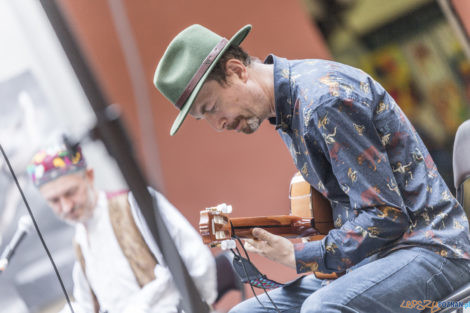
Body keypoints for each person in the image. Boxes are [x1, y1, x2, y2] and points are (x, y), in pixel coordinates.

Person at [153, 24, 470, 312]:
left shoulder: (321, 101)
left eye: (212, 108)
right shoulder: (289, 110)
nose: (217, 124)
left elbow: (386, 215)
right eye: (203, 118)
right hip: (376, 259)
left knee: (320, 309)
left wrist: (297, 256)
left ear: (236, 71)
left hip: (433, 250)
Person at [27, 145, 217, 313]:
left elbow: (197, 261)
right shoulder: (81, 239)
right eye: (54, 201)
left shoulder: (135, 205)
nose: (66, 206)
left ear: (90, 177)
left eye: (70, 192)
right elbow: (85, 305)